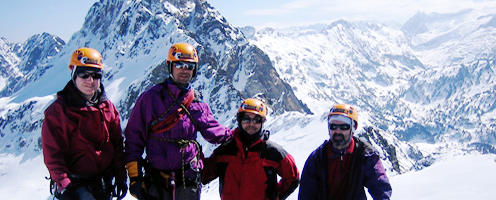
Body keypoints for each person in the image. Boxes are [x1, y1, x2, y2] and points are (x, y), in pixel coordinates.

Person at [124, 43, 232, 200]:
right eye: (179, 64)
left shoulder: (196, 101)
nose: (184, 70)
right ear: (170, 66)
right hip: (157, 180)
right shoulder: (151, 98)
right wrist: (134, 177)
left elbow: (213, 132)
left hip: (188, 180)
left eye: (189, 66)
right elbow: (134, 137)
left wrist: (243, 134)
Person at [42, 47, 127, 199]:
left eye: (96, 75)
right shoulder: (58, 113)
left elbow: (117, 144)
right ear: (74, 76)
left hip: (103, 183)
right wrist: (65, 186)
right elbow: (53, 155)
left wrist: (121, 176)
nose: (90, 81)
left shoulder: (108, 108)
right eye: (84, 75)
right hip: (75, 185)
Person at [202, 98, 300, 200]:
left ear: (262, 122)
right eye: (246, 119)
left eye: (257, 120)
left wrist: (276, 196)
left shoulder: (273, 152)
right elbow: (204, 175)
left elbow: (293, 178)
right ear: (239, 120)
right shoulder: (225, 150)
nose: (251, 124)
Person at [298, 104, 392, 200]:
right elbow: (306, 194)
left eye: (344, 127)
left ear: (353, 128)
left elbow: (380, 186)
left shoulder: (365, 155)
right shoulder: (317, 158)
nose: (338, 131)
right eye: (333, 126)